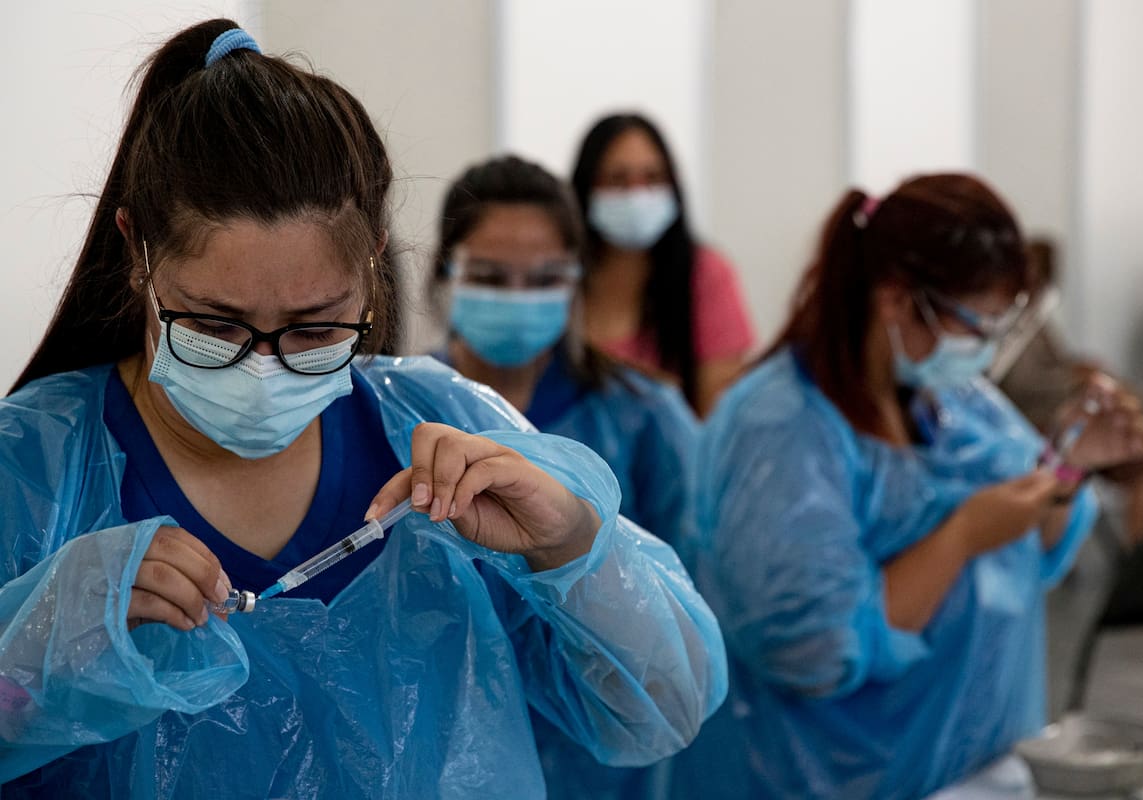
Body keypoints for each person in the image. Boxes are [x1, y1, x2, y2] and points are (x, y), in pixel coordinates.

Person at [0, 21, 726, 799]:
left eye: (315, 329)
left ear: (376, 260)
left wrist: (573, 548)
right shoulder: (36, 470)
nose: (264, 366)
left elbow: (659, 710)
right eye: (214, 327)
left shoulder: (433, 424)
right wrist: (38, 647)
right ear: (134, 248)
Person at [668, 175, 1143, 799]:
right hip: (819, 776)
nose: (985, 349)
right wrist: (960, 538)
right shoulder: (779, 431)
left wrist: (1066, 468)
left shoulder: (956, 404)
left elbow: (1029, 552)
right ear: (898, 301)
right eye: (976, 325)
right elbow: (811, 649)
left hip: (973, 768)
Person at [431, 154, 699, 799]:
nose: (519, 297)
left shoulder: (644, 420)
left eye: (544, 277)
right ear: (444, 275)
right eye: (492, 277)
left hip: (604, 768)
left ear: (578, 282)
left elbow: (680, 616)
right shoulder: (404, 418)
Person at [570, 113, 755, 417]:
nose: (637, 194)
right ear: (586, 187)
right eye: (618, 179)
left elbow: (718, 417)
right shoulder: (558, 278)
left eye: (652, 178)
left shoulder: (706, 274)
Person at [995, 238, 1143, 546]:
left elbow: (1058, 362)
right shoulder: (1003, 327)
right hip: (1043, 419)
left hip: (1065, 413)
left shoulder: (1034, 320)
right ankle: (1142, 555)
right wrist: (1075, 383)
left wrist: (1085, 371)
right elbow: (1021, 387)